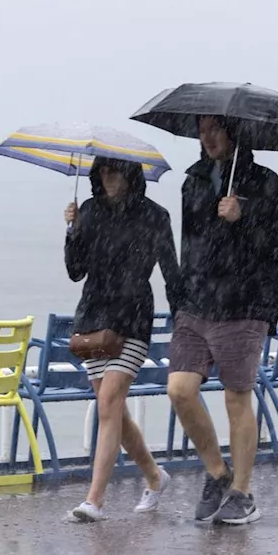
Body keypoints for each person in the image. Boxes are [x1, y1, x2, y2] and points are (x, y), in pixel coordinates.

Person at [167, 116, 278, 525]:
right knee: (180, 390)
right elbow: (190, 242)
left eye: (215, 129)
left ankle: (242, 492)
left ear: (233, 132)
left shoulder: (265, 182)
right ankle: (218, 474)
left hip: (244, 302)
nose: (207, 137)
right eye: (201, 129)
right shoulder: (194, 180)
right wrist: (182, 295)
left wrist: (245, 217)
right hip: (197, 302)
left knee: (236, 397)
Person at [63, 156, 181, 522]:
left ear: (131, 175)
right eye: (102, 172)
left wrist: (185, 323)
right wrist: (72, 231)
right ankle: (154, 476)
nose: (108, 178)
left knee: (110, 399)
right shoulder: (90, 211)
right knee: (111, 407)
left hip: (132, 319)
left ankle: (94, 500)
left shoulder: (155, 215)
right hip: (93, 317)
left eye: (115, 171)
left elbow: (170, 271)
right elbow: (74, 271)